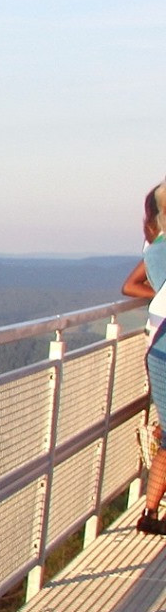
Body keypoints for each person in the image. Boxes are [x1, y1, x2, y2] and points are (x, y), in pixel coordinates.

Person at [120, 177, 166, 534]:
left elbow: (131, 284)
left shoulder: (155, 248)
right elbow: (130, 285)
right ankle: (150, 514)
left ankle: (151, 514)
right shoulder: (159, 249)